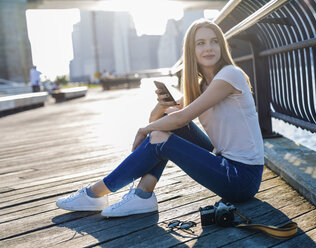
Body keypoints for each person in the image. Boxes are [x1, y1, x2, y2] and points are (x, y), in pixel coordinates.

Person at [56, 19, 264, 217]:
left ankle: (95, 193)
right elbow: (163, 118)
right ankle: (142, 195)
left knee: (161, 136)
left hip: (241, 178)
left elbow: (180, 119)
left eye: (214, 41)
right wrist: (161, 106)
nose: (208, 48)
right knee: (162, 128)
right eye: (200, 43)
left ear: (222, 46)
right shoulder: (202, 87)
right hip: (223, 162)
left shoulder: (230, 75)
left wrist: (143, 130)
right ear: (192, 51)